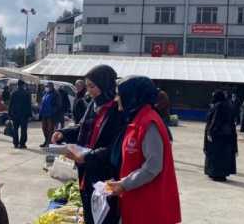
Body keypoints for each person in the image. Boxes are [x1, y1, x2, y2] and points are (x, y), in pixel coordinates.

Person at [106, 76, 181, 224]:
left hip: (148, 205)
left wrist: (124, 184)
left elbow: (153, 166)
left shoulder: (149, 123)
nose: (116, 99)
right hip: (135, 200)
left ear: (132, 96)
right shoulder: (136, 120)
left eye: (119, 94)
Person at [52, 65, 122, 224]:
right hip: (87, 170)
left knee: (106, 215)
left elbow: (116, 147)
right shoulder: (93, 104)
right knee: (90, 212)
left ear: (105, 85)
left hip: (107, 174)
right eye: (87, 86)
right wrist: (63, 133)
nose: (88, 91)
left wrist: (88, 156)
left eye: (92, 86)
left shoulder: (118, 109)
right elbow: (83, 128)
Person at [204, 91, 237, 182]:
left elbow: (215, 120)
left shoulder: (219, 106)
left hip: (218, 135)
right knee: (224, 156)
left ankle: (216, 174)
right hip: (227, 135)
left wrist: (210, 132)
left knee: (216, 155)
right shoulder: (228, 105)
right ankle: (221, 174)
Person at [8, 80, 32, 149]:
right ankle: (22, 144)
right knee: (23, 130)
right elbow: (29, 105)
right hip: (24, 115)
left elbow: (10, 104)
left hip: (15, 114)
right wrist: (30, 115)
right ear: (23, 85)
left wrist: (9, 114)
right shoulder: (27, 93)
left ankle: (15, 143)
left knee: (15, 129)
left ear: (17, 85)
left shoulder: (14, 93)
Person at [38, 83, 61, 148]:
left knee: (50, 129)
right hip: (44, 114)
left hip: (51, 115)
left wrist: (53, 111)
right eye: (46, 86)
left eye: (48, 86)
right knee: (44, 128)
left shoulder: (56, 94)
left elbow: (58, 105)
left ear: (52, 87)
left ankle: (49, 142)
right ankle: (46, 141)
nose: (46, 88)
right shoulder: (45, 93)